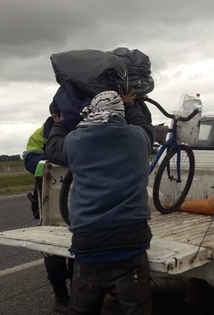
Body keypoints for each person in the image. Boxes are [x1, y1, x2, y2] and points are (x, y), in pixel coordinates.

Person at [64, 90, 155, 315]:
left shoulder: (73, 141)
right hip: (130, 244)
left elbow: (54, 145)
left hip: (88, 246)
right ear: (120, 113)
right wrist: (131, 104)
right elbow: (147, 128)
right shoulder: (138, 137)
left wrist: (59, 121)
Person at [23, 101, 75, 313]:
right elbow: (31, 162)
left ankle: (78, 292)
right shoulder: (40, 134)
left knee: (77, 250)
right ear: (56, 116)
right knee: (52, 251)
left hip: (76, 199)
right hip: (50, 201)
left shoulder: (77, 128)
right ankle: (61, 297)